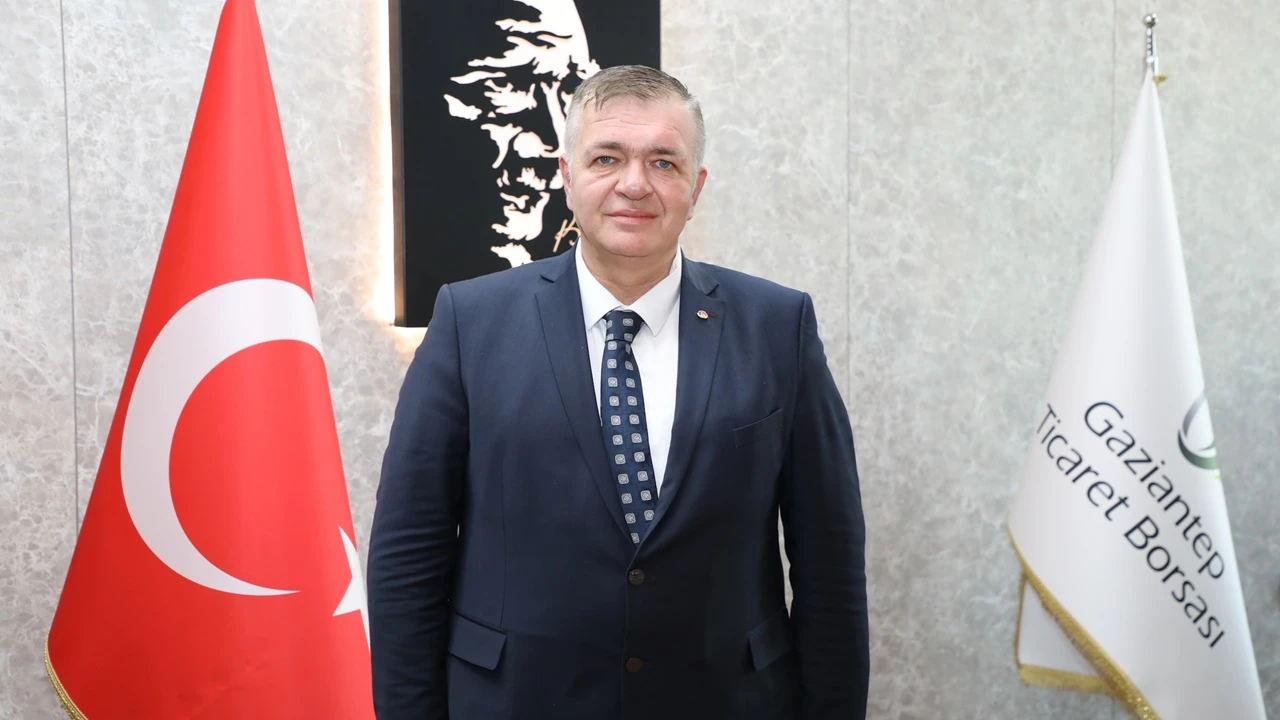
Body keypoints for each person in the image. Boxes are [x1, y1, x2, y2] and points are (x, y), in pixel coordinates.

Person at [367, 64, 869, 720]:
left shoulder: (778, 327)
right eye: (607, 158)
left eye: (664, 162)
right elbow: (408, 555)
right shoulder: (471, 322)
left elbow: (830, 563)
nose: (635, 184)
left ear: (696, 186)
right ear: (567, 176)